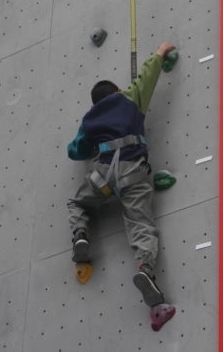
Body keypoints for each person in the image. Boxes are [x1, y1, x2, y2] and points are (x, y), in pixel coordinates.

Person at [66, 42, 176, 308]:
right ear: (117, 90)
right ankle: (145, 268)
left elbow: (76, 151)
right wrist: (160, 53)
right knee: (141, 224)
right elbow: (147, 77)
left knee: (78, 204)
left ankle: (81, 233)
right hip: (132, 173)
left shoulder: (89, 120)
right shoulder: (130, 97)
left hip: (103, 175)